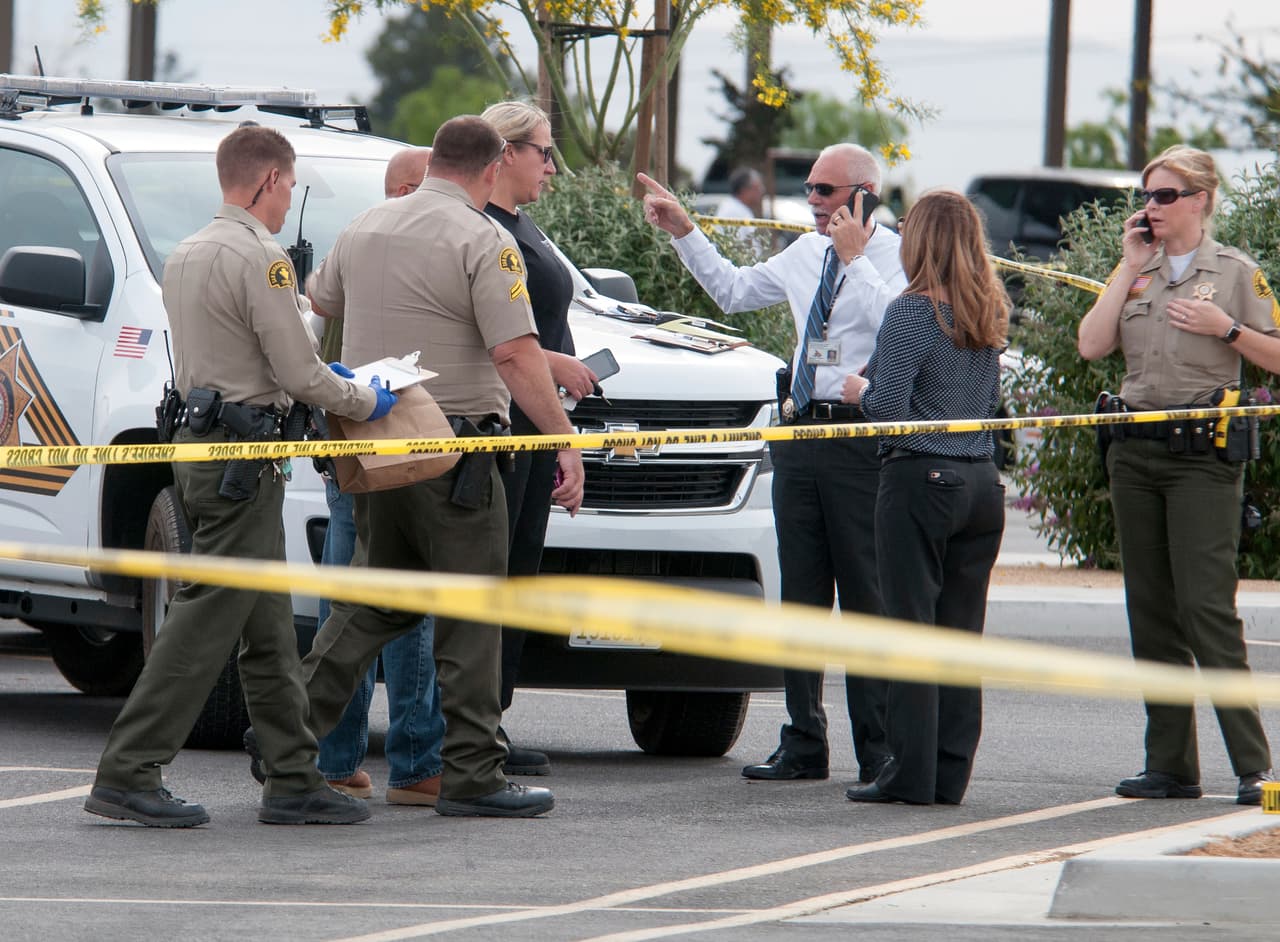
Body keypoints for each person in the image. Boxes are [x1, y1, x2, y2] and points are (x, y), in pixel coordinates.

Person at [85, 124, 395, 828]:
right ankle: (130, 769)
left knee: (266, 627)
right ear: (268, 182)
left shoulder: (189, 252)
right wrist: (362, 398)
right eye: (288, 186)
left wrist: (317, 379)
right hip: (243, 464)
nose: (289, 200)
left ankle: (292, 775)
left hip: (204, 452)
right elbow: (296, 370)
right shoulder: (263, 258)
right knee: (206, 620)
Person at [296, 115, 584, 817]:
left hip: (379, 443)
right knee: (473, 616)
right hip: (455, 451)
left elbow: (321, 301)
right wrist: (564, 439)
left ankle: (287, 731)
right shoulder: (484, 239)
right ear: (490, 170)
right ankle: (474, 774)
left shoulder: (367, 224)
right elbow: (516, 355)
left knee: (377, 601)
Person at [639, 143, 906, 785]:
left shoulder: (894, 255)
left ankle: (879, 748)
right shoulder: (804, 251)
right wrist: (687, 233)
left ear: (864, 195)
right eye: (808, 189)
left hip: (859, 441)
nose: (812, 202)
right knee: (802, 592)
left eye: (825, 191)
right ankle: (803, 738)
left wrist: (855, 259)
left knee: (866, 595)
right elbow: (733, 292)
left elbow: (898, 326)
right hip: (800, 435)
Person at [1077, 144, 1278, 806]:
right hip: (1136, 451)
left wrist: (1227, 331)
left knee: (1205, 608)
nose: (1151, 209)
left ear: (1200, 201)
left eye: (1164, 197)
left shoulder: (1237, 275)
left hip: (1202, 460)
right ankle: (1169, 764)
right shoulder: (1139, 272)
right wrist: (1125, 267)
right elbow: (1092, 344)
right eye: (1146, 196)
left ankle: (1256, 767)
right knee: (1151, 611)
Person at [842, 190, 1009, 806]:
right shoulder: (988, 308)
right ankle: (948, 773)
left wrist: (859, 388)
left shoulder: (913, 311)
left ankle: (909, 775)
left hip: (921, 479)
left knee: (910, 628)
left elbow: (887, 407)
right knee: (961, 635)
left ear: (921, 241)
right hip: (980, 484)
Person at [311, 145, 446, 807]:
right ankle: (417, 763)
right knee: (405, 608)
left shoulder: (354, 241)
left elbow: (320, 319)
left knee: (348, 604)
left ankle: (335, 761)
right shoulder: (425, 247)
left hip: (350, 453)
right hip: (397, 447)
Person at [480, 101, 599, 777]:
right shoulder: (478, 230)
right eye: (543, 152)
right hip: (502, 424)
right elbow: (494, 339)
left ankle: (489, 722)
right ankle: (469, 728)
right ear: (505, 152)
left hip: (535, 423)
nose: (552, 166)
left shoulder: (525, 228)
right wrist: (552, 369)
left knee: (518, 573)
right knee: (494, 576)